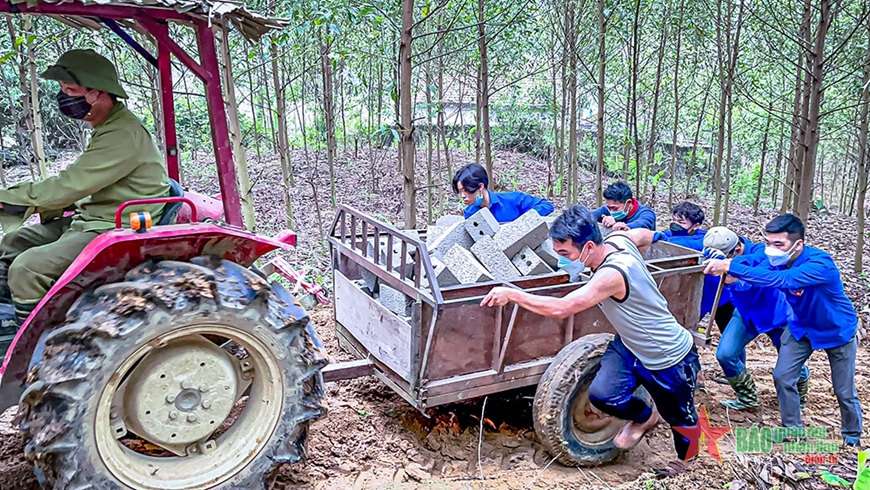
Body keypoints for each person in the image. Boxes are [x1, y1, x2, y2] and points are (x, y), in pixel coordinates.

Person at [481, 205, 700, 474]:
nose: (561, 259)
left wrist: (514, 294)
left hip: (668, 355)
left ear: (587, 247)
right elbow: (641, 236)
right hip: (630, 345)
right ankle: (645, 417)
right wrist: (655, 235)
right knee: (603, 395)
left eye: (565, 253)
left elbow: (563, 308)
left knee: (682, 417)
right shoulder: (617, 239)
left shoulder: (612, 274)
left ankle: (685, 462)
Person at [0, 49, 170, 328]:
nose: (64, 95)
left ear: (99, 92)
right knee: (11, 244)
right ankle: (9, 313)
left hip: (113, 226)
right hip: (91, 217)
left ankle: (34, 346)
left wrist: (9, 199)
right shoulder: (107, 125)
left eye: (72, 89)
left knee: (27, 268)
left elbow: (69, 186)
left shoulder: (122, 134)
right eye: (62, 88)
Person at [704, 214, 862, 446]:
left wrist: (729, 265)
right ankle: (793, 433)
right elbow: (754, 263)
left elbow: (781, 280)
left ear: (798, 244)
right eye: (768, 243)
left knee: (843, 391)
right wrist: (727, 262)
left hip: (836, 331)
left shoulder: (820, 265)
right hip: (800, 327)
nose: (771, 249)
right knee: (783, 376)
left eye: (778, 244)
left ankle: (852, 437)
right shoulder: (774, 258)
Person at [702, 227, 810, 411]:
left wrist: (733, 273)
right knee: (726, 354)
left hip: (778, 314)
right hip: (746, 313)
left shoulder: (765, 253)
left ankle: (798, 397)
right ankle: (747, 398)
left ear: (737, 249)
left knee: (790, 362)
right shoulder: (724, 250)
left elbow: (758, 279)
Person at [653, 202, 734, 355]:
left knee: (728, 334)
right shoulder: (673, 235)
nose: (675, 225)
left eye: (681, 222)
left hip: (718, 295)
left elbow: (692, 244)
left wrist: (661, 240)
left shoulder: (706, 239)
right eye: (674, 220)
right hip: (695, 295)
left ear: (695, 226)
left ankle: (736, 369)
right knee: (687, 328)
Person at [452, 163, 554, 222]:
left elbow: (547, 205)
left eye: (465, 191)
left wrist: (523, 222)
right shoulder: (470, 213)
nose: (462, 196)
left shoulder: (513, 200)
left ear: (480, 186)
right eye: (460, 192)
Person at [591, 181, 656, 230]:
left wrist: (623, 226)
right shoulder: (607, 209)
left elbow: (644, 223)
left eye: (615, 208)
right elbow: (588, 216)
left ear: (628, 203)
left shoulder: (646, 213)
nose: (611, 211)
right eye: (609, 208)